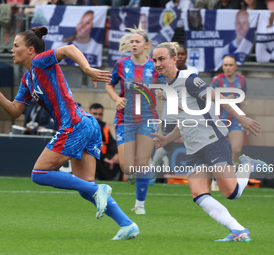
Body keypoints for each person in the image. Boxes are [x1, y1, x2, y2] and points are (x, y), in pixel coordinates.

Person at [0, 26, 139, 240]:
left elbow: (69, 49)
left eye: (16, 46)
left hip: (75, 125)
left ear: (31, 50)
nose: (12, 50)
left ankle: (99, 190)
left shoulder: (40, 62)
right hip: (86, 124)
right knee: (86, 187)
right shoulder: (28, 79)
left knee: (39, 174)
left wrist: (87, 69)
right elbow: (15, 111)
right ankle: (127, 225)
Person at [151, 41, 268, 242]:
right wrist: (166, 139)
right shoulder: (168, 89)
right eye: (154, 60)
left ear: (174, 59)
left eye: (161, 59)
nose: (157, 64)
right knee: (199, 194)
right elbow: (184, 121)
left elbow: (217, 97)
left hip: (213, 141)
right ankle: (238, 230)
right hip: (193, 148)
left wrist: (240, 117)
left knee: (231, 193)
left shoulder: (188, 79)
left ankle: (247, 165)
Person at [105, 25, 163, 215]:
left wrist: (163, 93)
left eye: (137, 41)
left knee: (142, 162)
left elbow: (165, 86)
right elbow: (109, 85)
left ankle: (140, 205)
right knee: (127, 167)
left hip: (147, 118)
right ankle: (136, 173)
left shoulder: (154, 66)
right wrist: (116, 98)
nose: (133, 44)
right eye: (131, 42)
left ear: (146, 45)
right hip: (125, 118)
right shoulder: (122, 64)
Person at [151, 44, 198, 182]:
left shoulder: (192, 72)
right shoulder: (163, 72)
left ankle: (199, 177)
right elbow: (158, 91)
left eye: (183, 54)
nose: (182, 57)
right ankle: (153, 171)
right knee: (167, 144)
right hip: (170, 114)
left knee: (194, 144)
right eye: (180, 54)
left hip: (188, 113)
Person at [211, 55, 247, 167]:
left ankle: (232, 177)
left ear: (235, 66)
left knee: (236, 150)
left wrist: (236, 99)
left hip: (235, 121)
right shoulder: (217, 80)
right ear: (222, 67)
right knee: (219, 152)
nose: (228, 67)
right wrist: (226, 100)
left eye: (231, 65)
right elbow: (210, 98)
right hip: (219, 120)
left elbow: (243, 98)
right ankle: (216, 179)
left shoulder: (241, 80)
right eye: (225, 65)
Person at [89, 103, 122, 181]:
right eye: (95, 114)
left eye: (100, 114)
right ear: (89, 113)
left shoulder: (104, 126)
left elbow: (111, 142)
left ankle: (117, 180)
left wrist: (116, 154)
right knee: (94, 158)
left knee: (121, 157)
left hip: (104, 155)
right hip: (95, 155)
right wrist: (104, 158)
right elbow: (88, 147)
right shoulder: (86, 126)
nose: (98, 116)